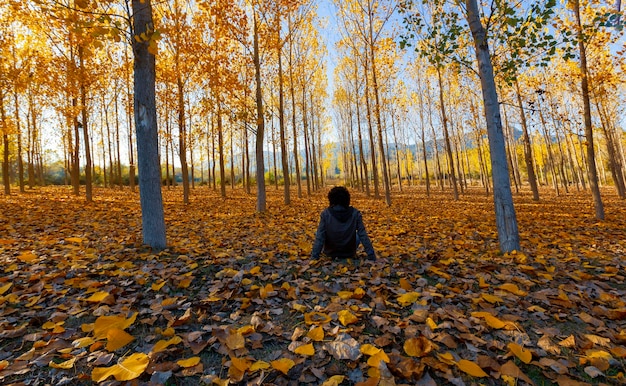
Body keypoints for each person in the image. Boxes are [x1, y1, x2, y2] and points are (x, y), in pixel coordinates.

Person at [311, 186, 376, 261]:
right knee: (358, 234)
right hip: (349, 252)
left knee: (318, 233)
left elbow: (320, 238)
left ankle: (327, 252)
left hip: (330, 252)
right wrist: (372, 256)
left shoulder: (325, 214)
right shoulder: (355, 213)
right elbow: (363, 235)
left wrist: (313, 258)